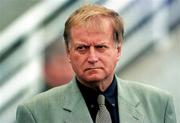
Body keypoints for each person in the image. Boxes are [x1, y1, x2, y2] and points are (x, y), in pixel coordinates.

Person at [16, 4, 176, 123]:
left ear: (118, 49)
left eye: (100, 47)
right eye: (82, 48)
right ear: (68, 52)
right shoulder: (35, 113)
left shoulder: (158, 104)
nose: (92, 57)